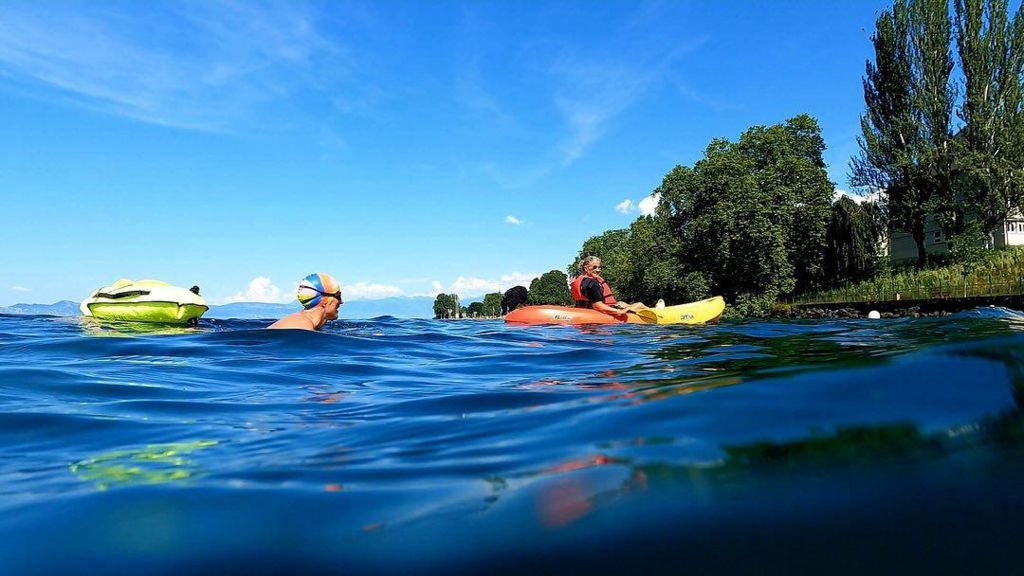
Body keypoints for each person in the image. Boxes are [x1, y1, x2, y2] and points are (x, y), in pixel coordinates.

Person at [569, 256, 648, 320]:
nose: (598, 270)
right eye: (594, 267)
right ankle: (656, 312)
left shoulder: (583, 281)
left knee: (622, 303)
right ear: (586, 268)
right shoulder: (592, 284)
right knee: (639, 304)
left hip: (584, 309)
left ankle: (654, 310)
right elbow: (598, 306)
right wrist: (618, 311)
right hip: (595, 311)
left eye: (599, 267)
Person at [268, 272, 343, 331]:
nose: (341, 301)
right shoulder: (302, 325)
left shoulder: (305, 322)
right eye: (338, 296)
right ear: (324, 300)